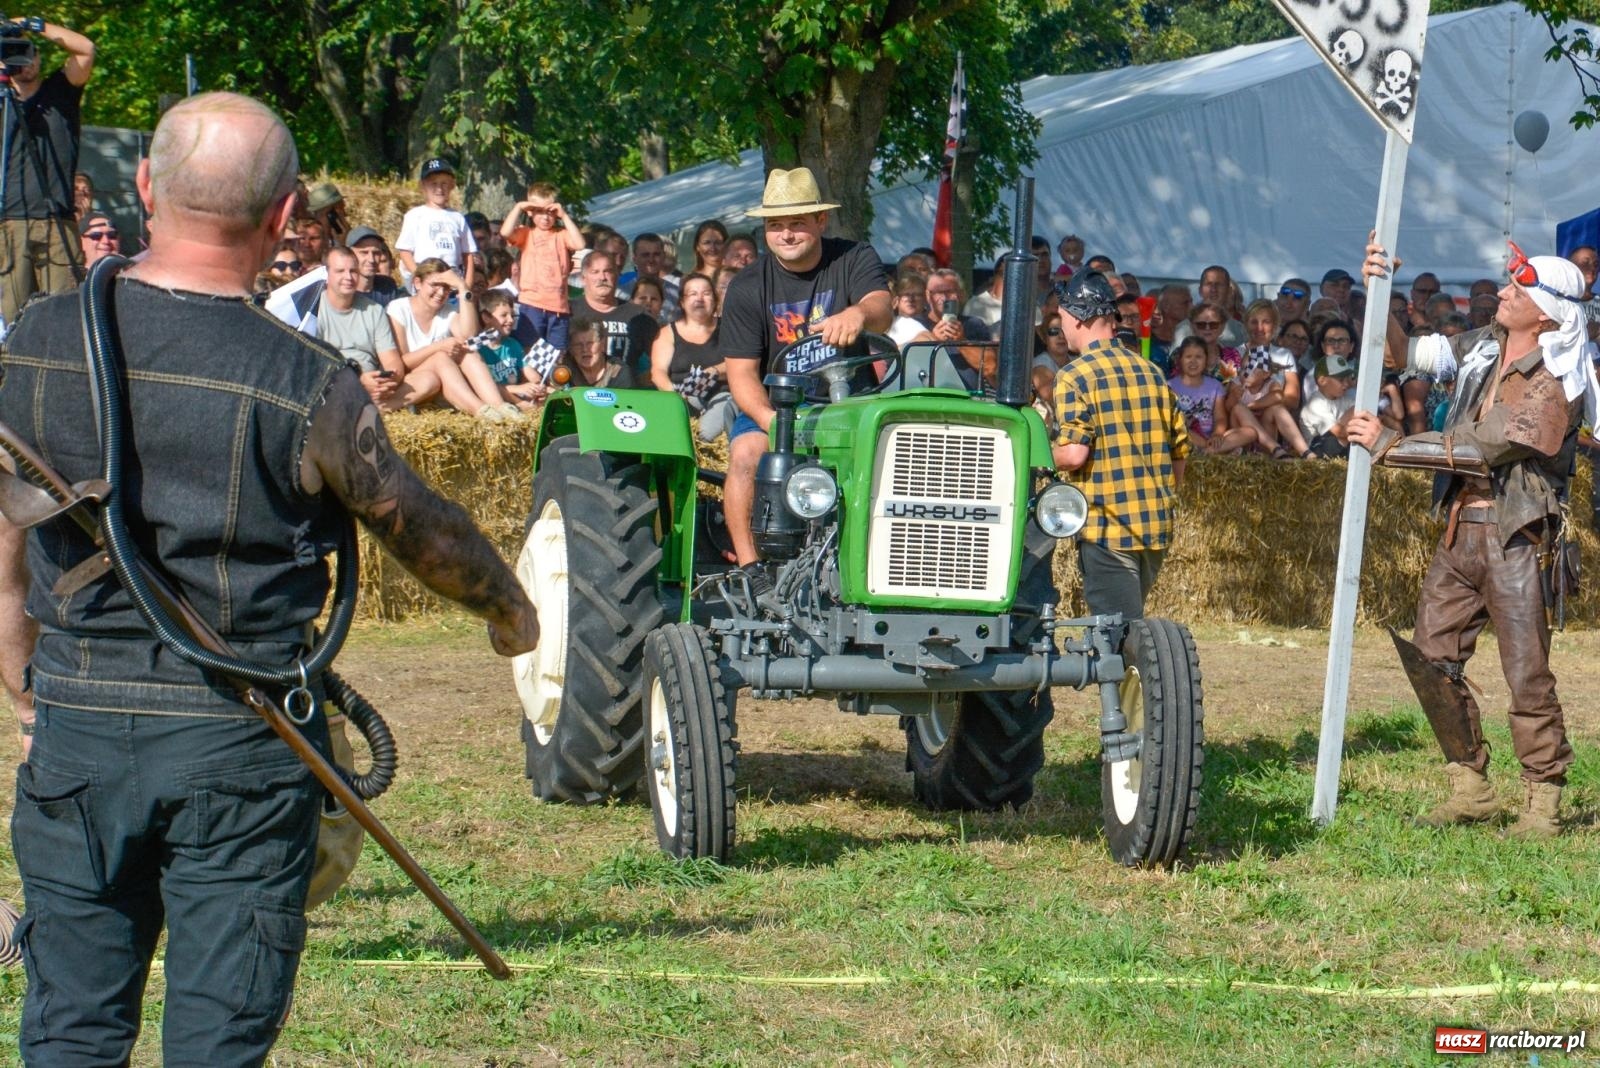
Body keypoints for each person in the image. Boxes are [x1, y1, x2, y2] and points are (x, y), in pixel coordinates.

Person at [0, 90, 538, 1067]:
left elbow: (4, 523)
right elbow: (418, 526)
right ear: (288, 217)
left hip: (80, 734)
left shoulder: (35, 341)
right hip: (240, 747)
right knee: (216, 1041)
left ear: (147, 187)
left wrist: (22, 673)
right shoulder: (309, 382)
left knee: (70, 1034)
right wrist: (510, 607)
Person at [1349, 238, 1595, 837]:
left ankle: (1544, 802)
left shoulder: (1560, 381)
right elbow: (1401, 353)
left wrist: (1388, 446)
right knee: (1431, 658)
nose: (1502, 292)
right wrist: (1382, 291)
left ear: (1547, 311)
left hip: (1518, 538)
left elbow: (1482, 448)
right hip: (1462, 531)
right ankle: (1471, 787)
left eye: (1517, 288)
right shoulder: (1481, 344)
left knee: (1526, 672)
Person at [719, 166, 891, 589]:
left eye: (797, 222)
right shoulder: (747, 286)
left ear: (820, 221)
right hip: (781, 405)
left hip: (850, 403)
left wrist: (857, 313)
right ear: (765, 231)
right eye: (776, 225)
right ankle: (750, 570)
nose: (787, 234)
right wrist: (771, 420)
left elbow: (882, 308)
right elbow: (741, 373)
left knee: (894, 456)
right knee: (746, 454)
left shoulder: (853, 257)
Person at [1050, 270, 1188, 622]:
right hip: (1155, 526)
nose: (1062, 329)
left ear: (1079, 317)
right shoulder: (1151, 372)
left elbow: (1074, 454)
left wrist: (1035, 450)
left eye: (1062, 319)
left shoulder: (1074, 375)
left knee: (1118, 637)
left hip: (1107, 529)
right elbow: (1180, 451)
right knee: (1131, 626)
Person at [0, 17, 95, 328]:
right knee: (15, 323)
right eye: (13, 54)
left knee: (64, 320)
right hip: (10, 224)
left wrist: (33, 25)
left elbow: (85, 49)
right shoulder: (3, 102)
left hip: (57, 221)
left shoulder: (61, 92)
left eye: (28, 53)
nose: (24, 62)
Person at [387, 257, 511, 418]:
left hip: (443, 382)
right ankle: (481, 411)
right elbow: (403, 364)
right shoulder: (399, 308)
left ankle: (499, 406)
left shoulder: (449, 310)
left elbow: (469, 335)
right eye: (434, 285)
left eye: (446, 287)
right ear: (417, 283)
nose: (441, 293)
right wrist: (439, 347)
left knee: (467, 352)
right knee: (441, 357)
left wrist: (463, 287)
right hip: (413, 381)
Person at [316, 246, 418, 412]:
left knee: (429, 379)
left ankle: (370, 407)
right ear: (326, 275)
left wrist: (385, 382)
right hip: (332, 387)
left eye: (353, 271)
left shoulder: (374, 310)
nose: (348, 277)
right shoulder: (313, 309)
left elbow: (392, 361)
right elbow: (314, 368)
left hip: (374, 383)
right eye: (340, 271)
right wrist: (358, 381)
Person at [501, 181, 585, 354]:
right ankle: (531, 379)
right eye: (539, 211)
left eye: (550, 212)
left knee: (557, 353)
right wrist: (519, 208)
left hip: (559, 307)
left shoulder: (561, 235)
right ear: (530, 212)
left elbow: (580, 243)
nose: (545, 217)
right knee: (529, 348)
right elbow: (505, 232)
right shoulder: (526, 233)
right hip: (532, 303)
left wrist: (564, 216)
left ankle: (554, 380)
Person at [575, 250, 659, 380]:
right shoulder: (568, 312)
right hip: (577, 392)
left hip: (625, 395)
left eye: (608, 271)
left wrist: (639, 382)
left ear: (618, 275)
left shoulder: (638, 316)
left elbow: (661, 361)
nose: (602, 277)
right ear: (583, 279)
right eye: (595, 272)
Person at [395, 157, 477, 289]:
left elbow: (468, 253)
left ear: (452, 185)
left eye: (444, 183)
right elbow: (405, 251)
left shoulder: (458, 218)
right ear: (422, 186)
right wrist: (419, 276)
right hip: (426, 277)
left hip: (452, 281)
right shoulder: (415, 216)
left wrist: (466, 285)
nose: (439, 188)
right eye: (433, 184)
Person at [345, 225, 402, 306]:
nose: (371, 259)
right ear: (349, 254)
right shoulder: (341, 290)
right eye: (364, 253)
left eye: (376, 253)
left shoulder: (387, 287)